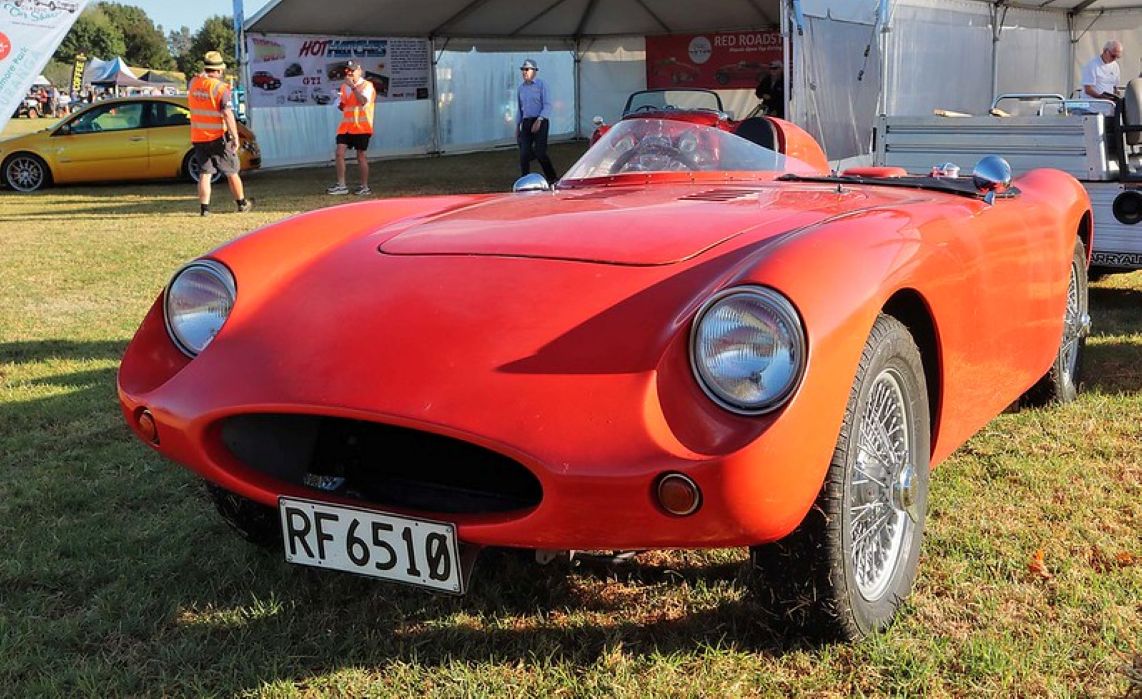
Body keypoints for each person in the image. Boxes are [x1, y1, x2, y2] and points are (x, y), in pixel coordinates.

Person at [187, 50, 251, 216]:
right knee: (232, 171)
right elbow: (227, 114)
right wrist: (235, 137)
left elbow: (198, 77)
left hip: (198, 136)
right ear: (220, 70)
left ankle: (204, 209)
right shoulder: (221, 88)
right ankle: (241, 203)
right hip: (218, 137)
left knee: (205, 173)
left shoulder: (193, 83)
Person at [327, 60, 376, 196]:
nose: (349, 73)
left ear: (359, 71)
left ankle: (364, 187)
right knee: (339, 153)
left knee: (360, 156)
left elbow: (363, 101)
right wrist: (338, 103)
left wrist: (353, 87)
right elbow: (344, 105)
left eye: (352, 71)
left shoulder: (367, 85)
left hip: (361, 127)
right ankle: (342, 185)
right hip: (346, 127)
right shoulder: (344, 86)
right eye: (347, 71)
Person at [516, 58, 558, 183]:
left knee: (540, 153)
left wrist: (539, 120)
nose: (524, 72)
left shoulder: (542, 85)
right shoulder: (521, 88)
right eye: (523, 70)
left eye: (527, 69)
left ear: (534, 71)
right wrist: (517, 126)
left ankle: (552, 177)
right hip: (526, 121)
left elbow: (548, 105)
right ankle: (524, 179)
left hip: (541, 120)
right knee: (524, 154)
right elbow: (520, 109)